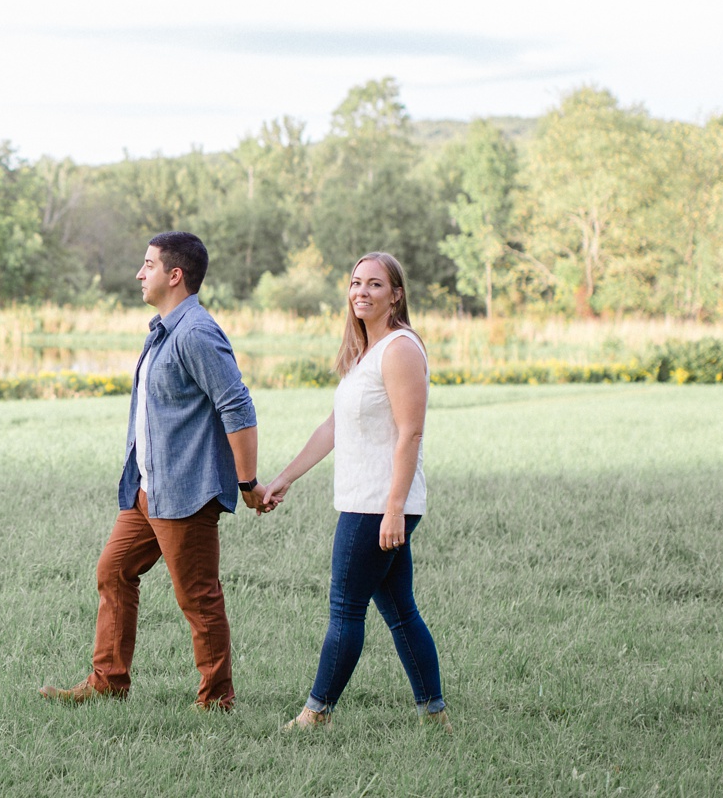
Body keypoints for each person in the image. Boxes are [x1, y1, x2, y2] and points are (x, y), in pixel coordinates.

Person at [40, 231, 265, 711]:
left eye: (148, 265)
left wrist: (247, 482)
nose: (140, 273)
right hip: (147, 490)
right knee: (113, 571)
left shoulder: (196, 333)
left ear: (174, 274)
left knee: (198, 598)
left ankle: (217, 699)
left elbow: (237, 407)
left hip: (185, 491)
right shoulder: (163, 330)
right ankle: (108, 681)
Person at [263, 251, 449, 730]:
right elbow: (334, 426)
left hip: (377, 506)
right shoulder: (366, 352)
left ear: (396, 294)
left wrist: (393, 509)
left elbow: (411, 433)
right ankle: (435, 715)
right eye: (355, 283)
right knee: (401, 611)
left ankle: (316, 713)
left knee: (346, 610)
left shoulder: (400, 349)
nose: (362, 292)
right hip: (369, 501)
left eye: (375, 285)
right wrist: (285, 477)